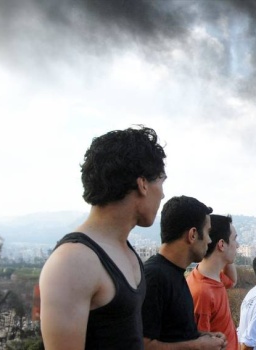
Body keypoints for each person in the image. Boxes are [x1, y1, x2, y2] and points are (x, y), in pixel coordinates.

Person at [39, 126, 167, 350]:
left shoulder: (124, 250)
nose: (163, 193)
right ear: (143, 184)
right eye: (161, 181)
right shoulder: (74, 261)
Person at [142, 196, 227, 350]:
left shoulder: (173, 273)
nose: (209, 240)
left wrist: (204, 336)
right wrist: (198, 346)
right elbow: (143, 344)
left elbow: (173, 333)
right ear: (193, 234)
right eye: (208, 233)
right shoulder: (154, 277)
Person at [187, 214, 240, 350]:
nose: (238, 245)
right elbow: (200, 344)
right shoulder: (202, 292)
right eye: (234, 239)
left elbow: (233, 281)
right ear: (221, 244)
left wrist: (226, 258)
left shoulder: (214, 277)